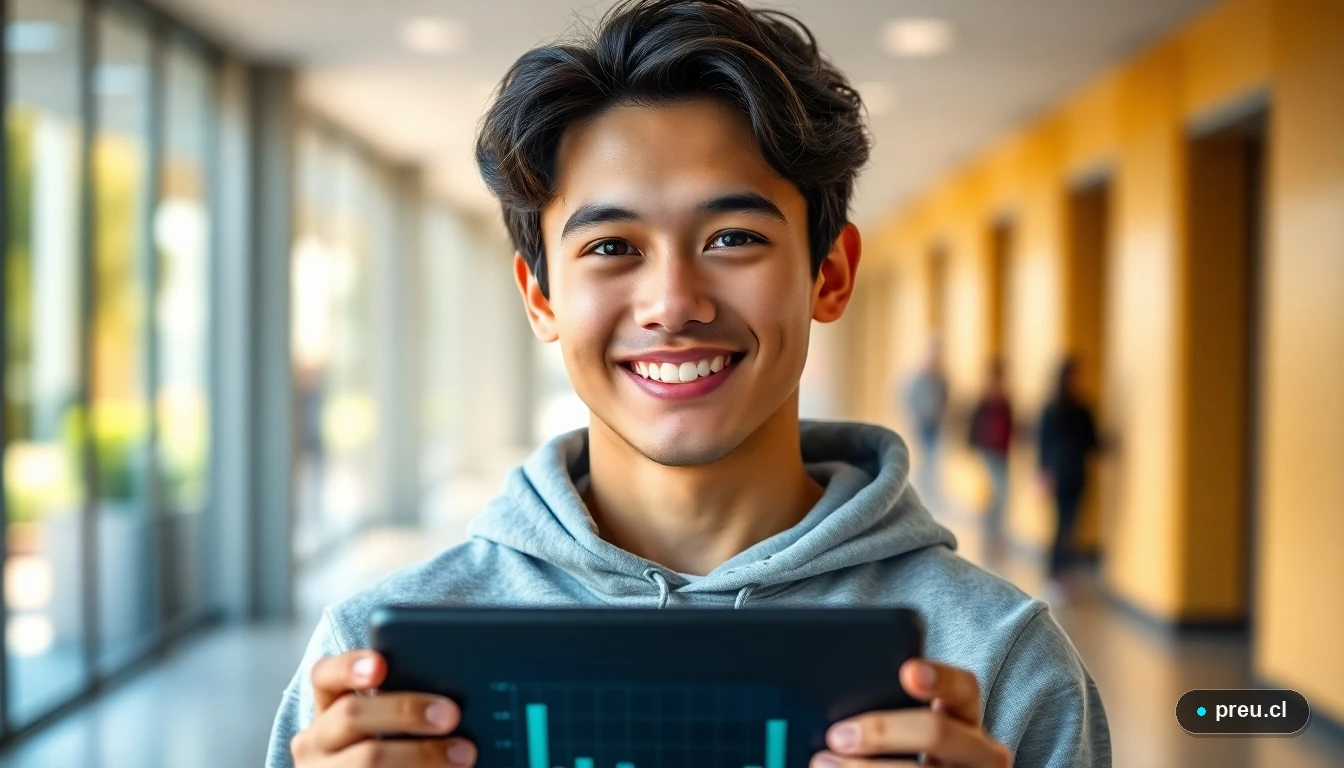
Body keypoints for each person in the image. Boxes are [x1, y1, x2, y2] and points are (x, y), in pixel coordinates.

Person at [268, 2, 1109, 767]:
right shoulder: (372, 683)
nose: (673, 304)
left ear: (830, 274)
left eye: (734, 236)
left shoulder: (1000, 663)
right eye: (610, 247)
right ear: (540, 296)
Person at [1037, 357, 1100, 598]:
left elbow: (1092, 442)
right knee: (1061, 525)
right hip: (1059, 476)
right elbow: (1043, 444)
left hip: (1077, 476)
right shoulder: (1053, 409)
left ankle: (1065, 575)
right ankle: (1055, 573)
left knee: (1072, 526)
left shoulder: (1083, 409)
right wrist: (1043, 473)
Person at [968, 358, 1013, 539]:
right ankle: (990, 531)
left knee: (1001, 493)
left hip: (1002, 452)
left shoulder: (1005, 400)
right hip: (989, 451)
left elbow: (1010, 425)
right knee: (999, 492)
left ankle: (995, 531)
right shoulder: (986, 400)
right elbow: (976, 425)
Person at [904, 338, 949, 478]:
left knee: (933, 454)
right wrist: (917, 415)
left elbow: (945, 399)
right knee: (924, 453)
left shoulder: (942, 379)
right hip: (922, 422)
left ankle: (929, 478)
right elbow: (910, 398)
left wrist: (941, 414)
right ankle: (924, 477)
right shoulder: (919, 378)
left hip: (935, 423)